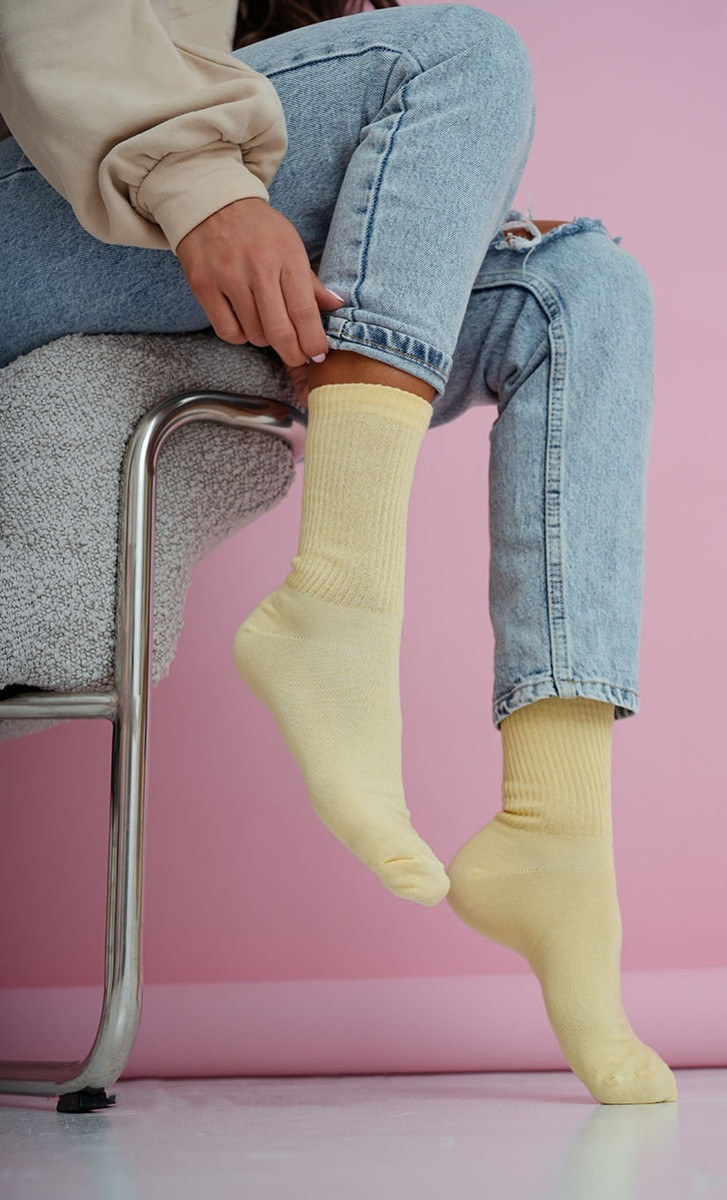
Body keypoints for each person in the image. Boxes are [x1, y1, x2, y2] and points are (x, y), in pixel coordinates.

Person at [0, 0, 676, 1106]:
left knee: (581, 290)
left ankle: (555, 832)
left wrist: (442, 237)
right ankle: (337, 599)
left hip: (163, 224)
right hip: (46, 192)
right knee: (463, 56)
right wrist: (202, 188)